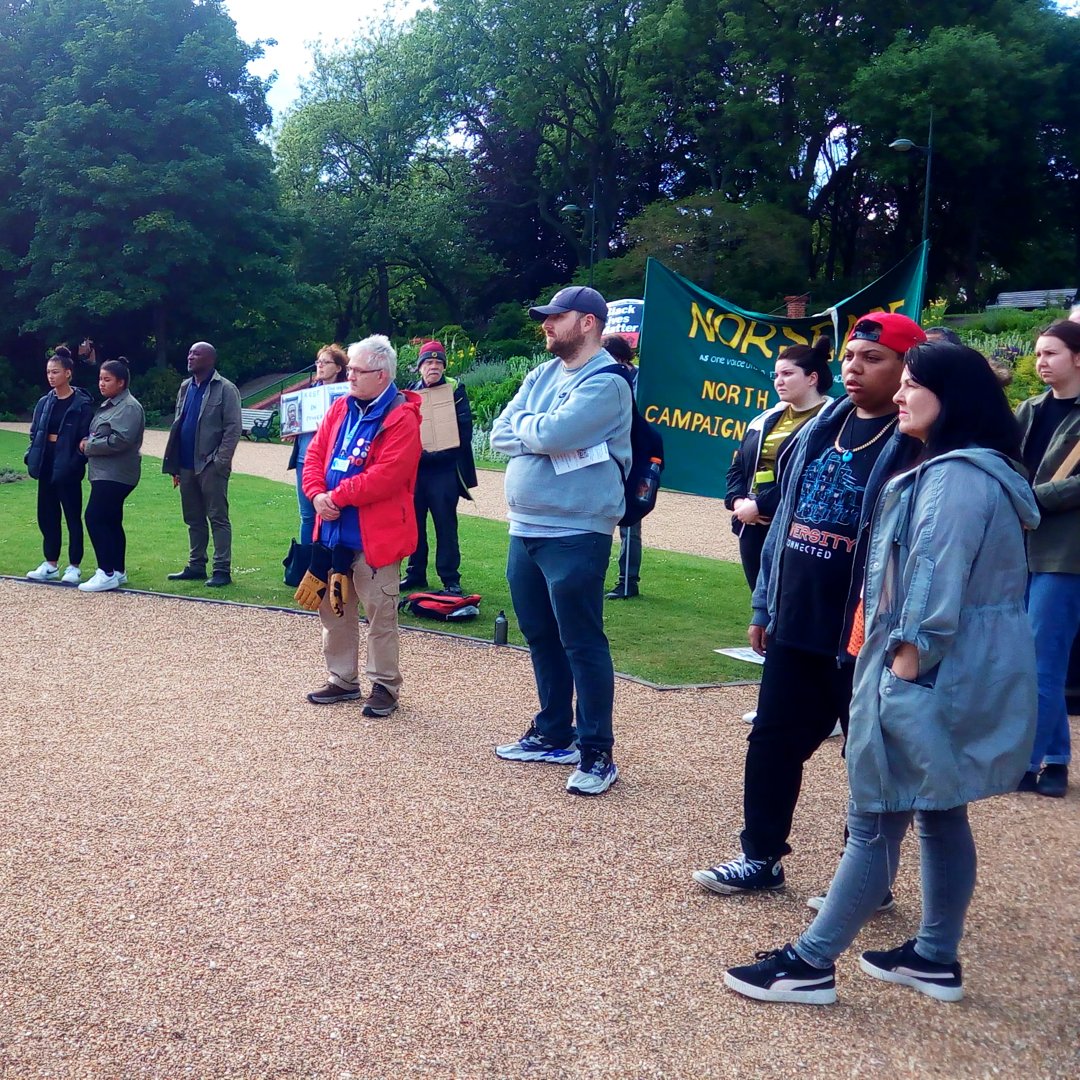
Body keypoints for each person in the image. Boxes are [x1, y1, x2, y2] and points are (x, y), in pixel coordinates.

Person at [723, 342, 1038, 1006]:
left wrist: (901, 664)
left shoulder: (953, 478)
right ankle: (934, 956)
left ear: (947, 399)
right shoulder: (982, 471)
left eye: (912, 385)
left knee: (875, 816)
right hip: (954, 672)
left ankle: (809, 964)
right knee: (940, 814)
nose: (899, 394)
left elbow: (930, 579)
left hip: (923, 674)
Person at [693, 312, 926, 894]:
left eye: (873, 359)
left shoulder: (916, 443)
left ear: (905, 368)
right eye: (850, 357)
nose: (855, 368)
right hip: (797, 618)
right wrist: (763, 606)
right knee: (772, 739)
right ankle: (760, 856)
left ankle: (867, 879)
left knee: (867, 757)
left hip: (865, 633)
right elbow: (783, 525)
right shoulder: (818, 429)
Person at [491, 286, 632, 796]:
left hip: (576, 530)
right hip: (524, 525)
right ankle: (554, 732)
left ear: (589, 323)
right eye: (546, 317)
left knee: (581, 640)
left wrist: (535, 434)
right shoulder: (542, 373)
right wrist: (539, 432)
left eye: (558, 317)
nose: (548, 325)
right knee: (540, 634)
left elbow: (550, 435)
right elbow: (498, 433)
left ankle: (596, 751)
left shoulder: (608, 382)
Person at [302, 335, 422, 718]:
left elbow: (386, 476)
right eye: (349, 368)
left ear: (382, 375)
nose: (348, 375)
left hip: (375, 537)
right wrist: (317, 493)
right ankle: (342, 679)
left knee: (380, 613)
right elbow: (314, 456)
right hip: (333, 533)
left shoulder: (402, 418)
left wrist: (336, 497)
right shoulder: (340, 408)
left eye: (357, 370)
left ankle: (384, 684)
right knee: (333, 609)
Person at [1015, 319, 1080, 798]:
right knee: (1030, 656)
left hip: (1066, 553)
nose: (1040, 362)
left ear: (1078, 358)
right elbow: (1005, 459)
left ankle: (1028, 761)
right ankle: (1055, 759)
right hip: (1020, 547)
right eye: (1038, 354)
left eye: (1051, 353)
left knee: (1042, 656)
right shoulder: (1030, 408)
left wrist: (1029, 499)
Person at [725, 338, 833, 591]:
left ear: (812, 378)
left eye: (787, 373)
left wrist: (761, 504)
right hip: (752, 526)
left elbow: (812, 478)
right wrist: (739, 502)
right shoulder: (764, 418)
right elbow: (737, 466)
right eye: (776, 374)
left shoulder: (830, 424)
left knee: (788, 605)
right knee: (760, 605)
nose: (779, 381)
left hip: (796, 530)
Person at [162, 341, 242, 587]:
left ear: (210, 359)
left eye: (196, 353)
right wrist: (175, 464)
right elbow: (179, 424)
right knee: (193, 518)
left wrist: (219, 462)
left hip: (210, 465)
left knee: (218, 517)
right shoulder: (186, 387)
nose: (190, 357)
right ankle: (196, 564)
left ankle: (221, 569)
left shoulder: (225, 389)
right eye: (189, 353)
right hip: (186, 465)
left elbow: (233, 428)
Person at [401, 339, 478, 595]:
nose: (433, 367)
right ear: (420, 367)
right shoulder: (410, 392)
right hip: (416, 470)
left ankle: (450, 578)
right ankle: (415, 573)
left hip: (444, 469)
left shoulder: (456, 391)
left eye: (438, 362)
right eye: (428, 362)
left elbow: (464, 429)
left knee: (445, 525)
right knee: (415, 524)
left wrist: (445, 451)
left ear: (443, 367)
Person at [25, 347, 93, 585]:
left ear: (68, 373)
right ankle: (50, 562)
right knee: (46, 514)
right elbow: (35, 432)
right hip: (46, 462)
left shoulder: (81, 403)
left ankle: (74, 565)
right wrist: (30, 456)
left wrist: (75, 461)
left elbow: (86, 437)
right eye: (48, 372)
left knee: (72, 516)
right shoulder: (45, 402)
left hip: (68, 464)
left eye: (55, 372)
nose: (51, 376)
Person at [77, 359, 146, 592]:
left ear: (121, 382)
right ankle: (117, 570)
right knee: (111, 520)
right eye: (100, 379)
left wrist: (89, 445)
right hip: (105, 472)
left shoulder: (128, 406)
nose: (101, 384)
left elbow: (121, 440)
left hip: (116, 473)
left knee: (94, 517)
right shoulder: (111, 404)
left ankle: (105, 572)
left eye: (107, 379)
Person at [284, 345, 348, 584]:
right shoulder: (308, 392)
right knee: (307, 516)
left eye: (325, 362)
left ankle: (333, 568)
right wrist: (292, 431)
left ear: (339, 368)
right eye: (318, 362)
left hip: (332, 462)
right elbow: (295, 424)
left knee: (332, 514)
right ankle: (307, 569)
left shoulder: (345, 394)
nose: (319, 366)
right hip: (305, 459)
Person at [600, 333, 644, 600]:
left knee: (630, 523)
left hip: (635, 459)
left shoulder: (638, 381)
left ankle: (628, 581)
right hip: (612, 457)